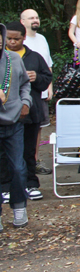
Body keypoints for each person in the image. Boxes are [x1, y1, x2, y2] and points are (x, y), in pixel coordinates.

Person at [0, 22, 51, 201]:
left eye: (17, 39)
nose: (12, 42)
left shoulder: (34, 57)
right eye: (9, 38)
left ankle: (31, 184)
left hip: (30, 111)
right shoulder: (3, 57)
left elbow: (47, 79)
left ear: (24, 38)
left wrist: (37, 77)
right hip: (6, 114)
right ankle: (6, 186)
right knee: (5, 154)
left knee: (29, 151)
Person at [0, 24, 32, 231]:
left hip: (13, 121)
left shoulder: (13, 59)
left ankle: (19, 206)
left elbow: (24, 84)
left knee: (19, 168)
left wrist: (25, 102)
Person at [20, 9, 54, 172]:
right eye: (31, 18)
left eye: (37, 17)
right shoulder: (18, 41)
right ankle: (20, 162)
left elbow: (48, 66)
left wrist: (50, 87)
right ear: (22, 22)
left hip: (41, 90)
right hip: (22, 94)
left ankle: (34, 161)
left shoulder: (42, 39)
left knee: (38, 127)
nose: (35, 20)